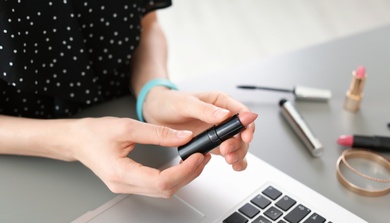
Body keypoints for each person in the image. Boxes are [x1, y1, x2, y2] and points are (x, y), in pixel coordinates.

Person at [0, 0, 256, 198]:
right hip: (25, 165)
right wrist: (74, 139)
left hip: (132, 126)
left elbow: (147, 21)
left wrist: (153, 93)